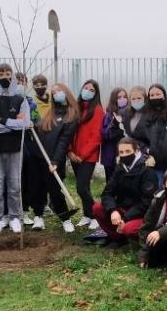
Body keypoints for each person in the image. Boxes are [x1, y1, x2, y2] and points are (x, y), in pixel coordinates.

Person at [29, 83, 79, 232]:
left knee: (55, 189)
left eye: (59, 91)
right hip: (38, 156)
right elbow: (41, 129)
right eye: (54, 92)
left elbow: (64, 141)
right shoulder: (52, 113)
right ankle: (38, 216)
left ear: (66, 93)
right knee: (37, 187)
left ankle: (65, 218)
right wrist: (33, 126)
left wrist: (56, 161)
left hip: (53, 160)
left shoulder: (71, 115)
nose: (56, 94)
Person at [92, 137, 158, 248]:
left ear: (136, 151)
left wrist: (126, 218)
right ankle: (117, 238)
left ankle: (137, 237)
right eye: (121, 152)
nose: (124, 155)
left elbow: (147, 202)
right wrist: (113, 210)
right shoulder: (120, 168)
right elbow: (107, 192)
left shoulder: (148, 170)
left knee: (129, 229)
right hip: (122, 208)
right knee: (97, 208)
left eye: (128, 151)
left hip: (141, 214)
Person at [0, 64, 31, 236]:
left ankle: (14, 217)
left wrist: (3, 120)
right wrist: (11, 124)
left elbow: (24, 123)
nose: (4, 77)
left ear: (12, 76)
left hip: (15, 149)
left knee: (14, 185)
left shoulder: (20, 100)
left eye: (7, 74)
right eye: (0, 74)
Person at [69, 80, 104, 230]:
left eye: (91, 90)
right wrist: (70, 151)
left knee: (81, 187)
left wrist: (82, 155)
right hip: (74, 155)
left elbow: (96, 136)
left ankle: (97, 215)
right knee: (84, 187)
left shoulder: (97, 110)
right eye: (86, 88)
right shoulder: (75, 108)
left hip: (87, 156)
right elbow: (69, 131)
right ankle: (87, 215)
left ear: (96, 94)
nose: (88, 91)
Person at [15, 72, 39, 226]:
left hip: (29, 147)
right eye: (16, 82)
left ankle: (24, 211)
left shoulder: (32, 103)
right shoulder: (7, 101)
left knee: (27, 179)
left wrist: (33, 124)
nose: (20, 85)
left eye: (22, 82)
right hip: (12, 146)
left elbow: (37, 121)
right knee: (13, 181)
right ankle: (10, 214)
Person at [100, 87, 128, 184]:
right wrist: (115, 124)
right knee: (111, 182)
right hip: (110, 156)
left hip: (125, 155)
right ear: (114, 99)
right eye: (119, 97)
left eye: (125, 97)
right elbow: (104, 134)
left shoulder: (129, 113)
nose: (122, 99)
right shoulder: (108, 115)